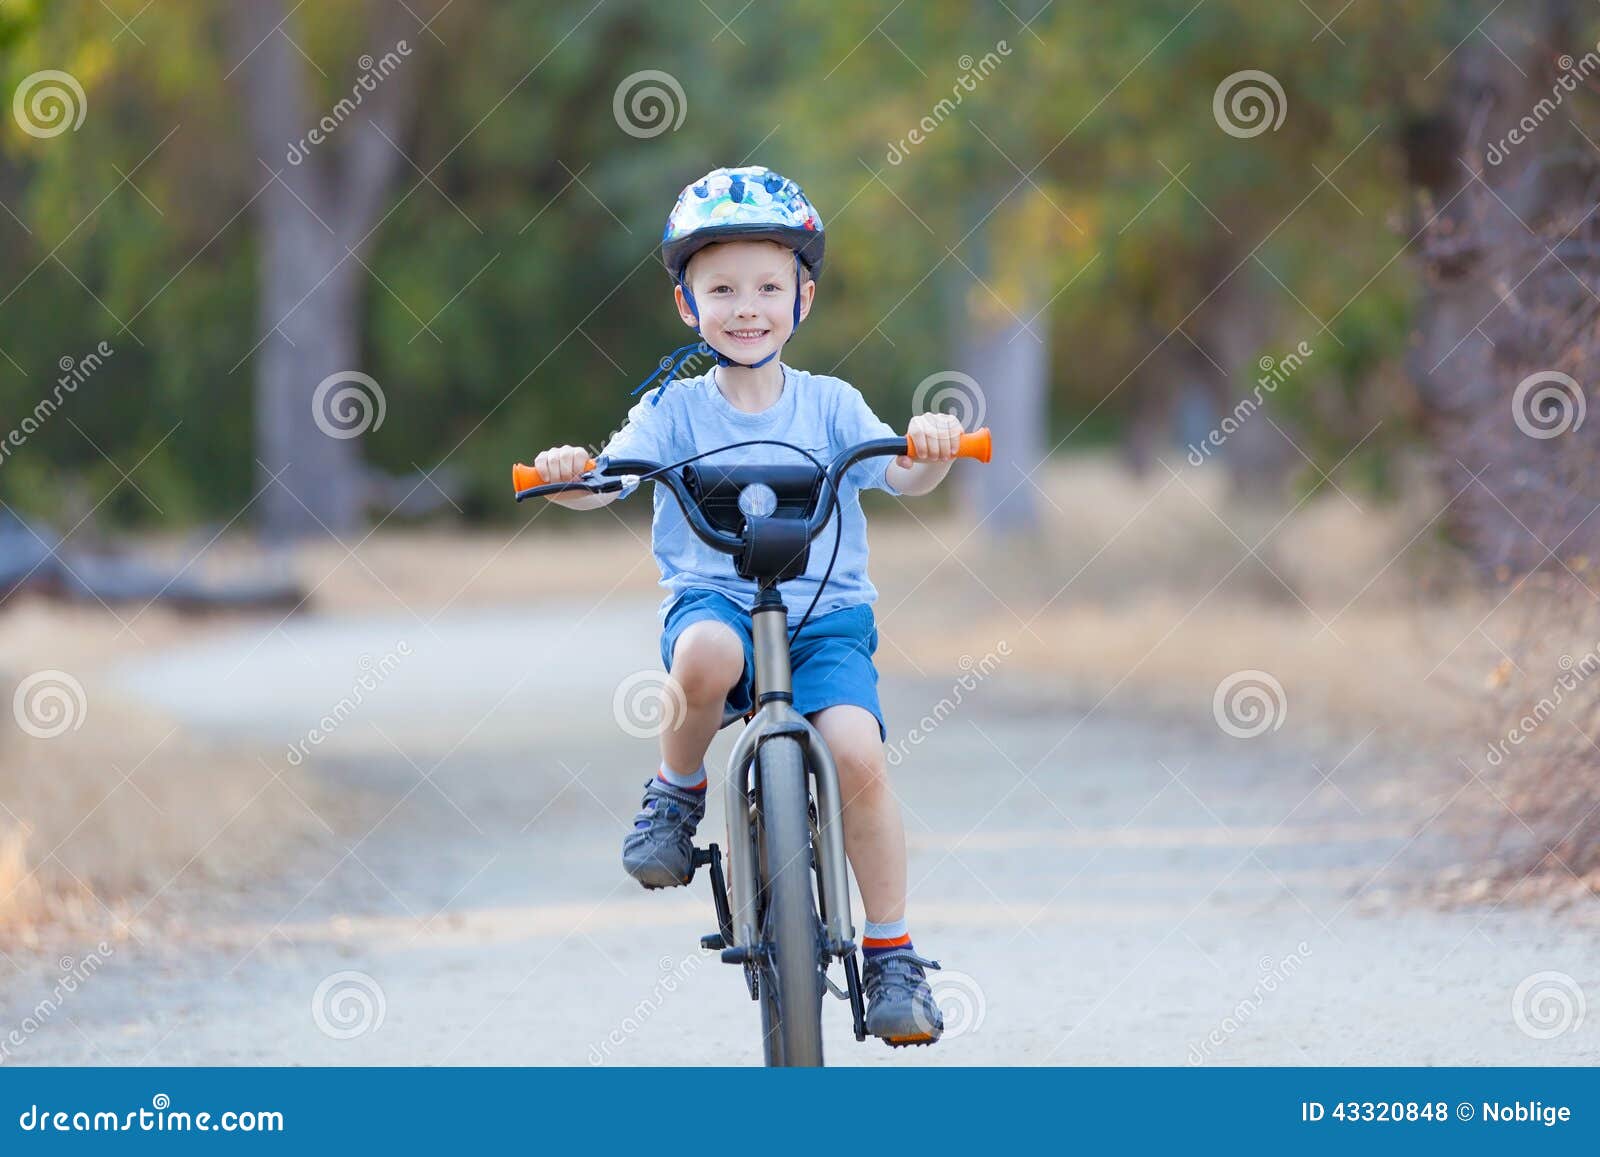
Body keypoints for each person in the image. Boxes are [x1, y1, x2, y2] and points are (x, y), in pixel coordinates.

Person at [530, 165, 964, 1046]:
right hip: (716, 602)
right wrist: (569, 474)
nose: (746, 307)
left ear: (802, 298)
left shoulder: (833, 404)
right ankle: (676, 793)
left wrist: (935, 446)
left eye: (768, 287)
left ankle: (891, 953)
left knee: (857, 753)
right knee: (704, 660)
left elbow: (906, 475)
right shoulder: (674, 410)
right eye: (721, 288)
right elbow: (607, 485)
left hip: (825, 622)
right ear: (689, 306)